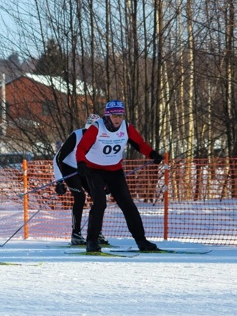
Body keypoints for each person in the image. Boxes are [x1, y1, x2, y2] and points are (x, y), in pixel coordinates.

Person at [75, 100, 164, 252]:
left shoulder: (126, 127)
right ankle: (92, 241)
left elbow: (140, 144)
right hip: (94, 170)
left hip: (114, 171)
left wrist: (152, 154)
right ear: (107, 116)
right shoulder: (97, 127)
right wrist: (81, 163)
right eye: (114, 116)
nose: (118, 119)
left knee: (128, 205)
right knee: (100, 203)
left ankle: (141, 241)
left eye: (120, 116)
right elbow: (81, 148)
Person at [53, 114, 110, 246]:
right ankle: (76, 234)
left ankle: (96, 233)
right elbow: (57, 158)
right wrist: (59, 181)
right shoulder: (76, 136)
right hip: (69, 168)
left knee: (100, 199)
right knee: (80, 197)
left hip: (85, 169)